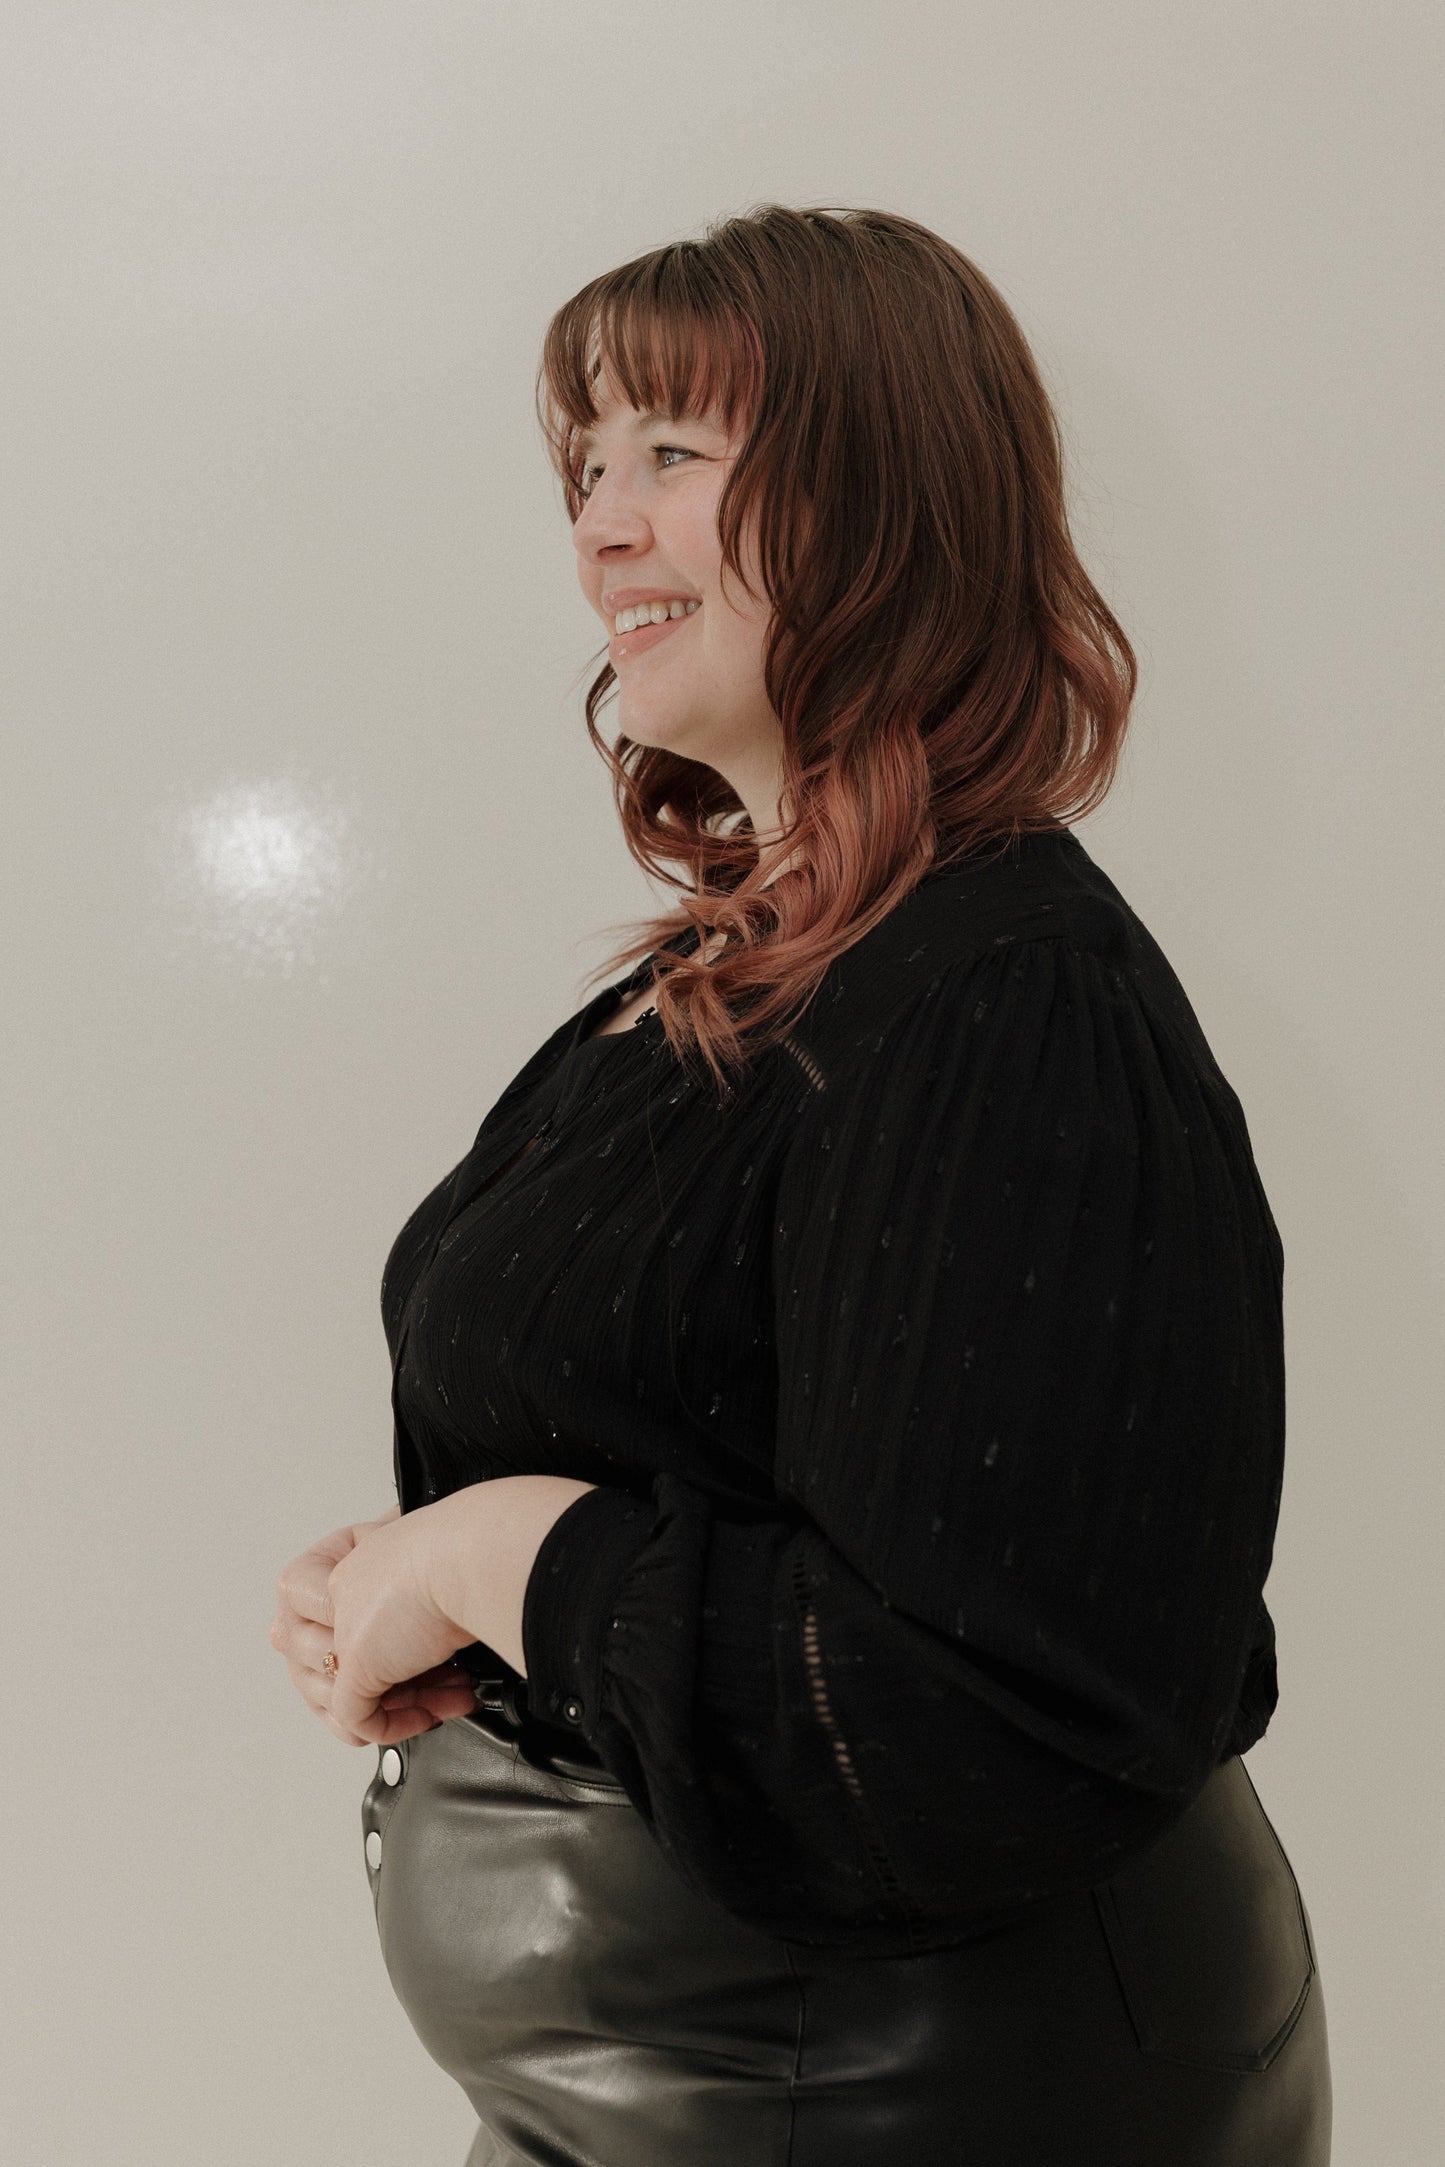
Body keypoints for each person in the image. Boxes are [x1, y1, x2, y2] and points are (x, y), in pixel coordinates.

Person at [269, 204, 1332, 2165]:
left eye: (674, 453)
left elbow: (948, 1728)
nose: (599, 527)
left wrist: (499, 1554)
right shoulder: (764, 965)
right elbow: (702, 1444)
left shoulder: (1003, 1002)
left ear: (891, 498)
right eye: (587, 466)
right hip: (710, 2081)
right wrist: (433, 1581)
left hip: (898, 2097)